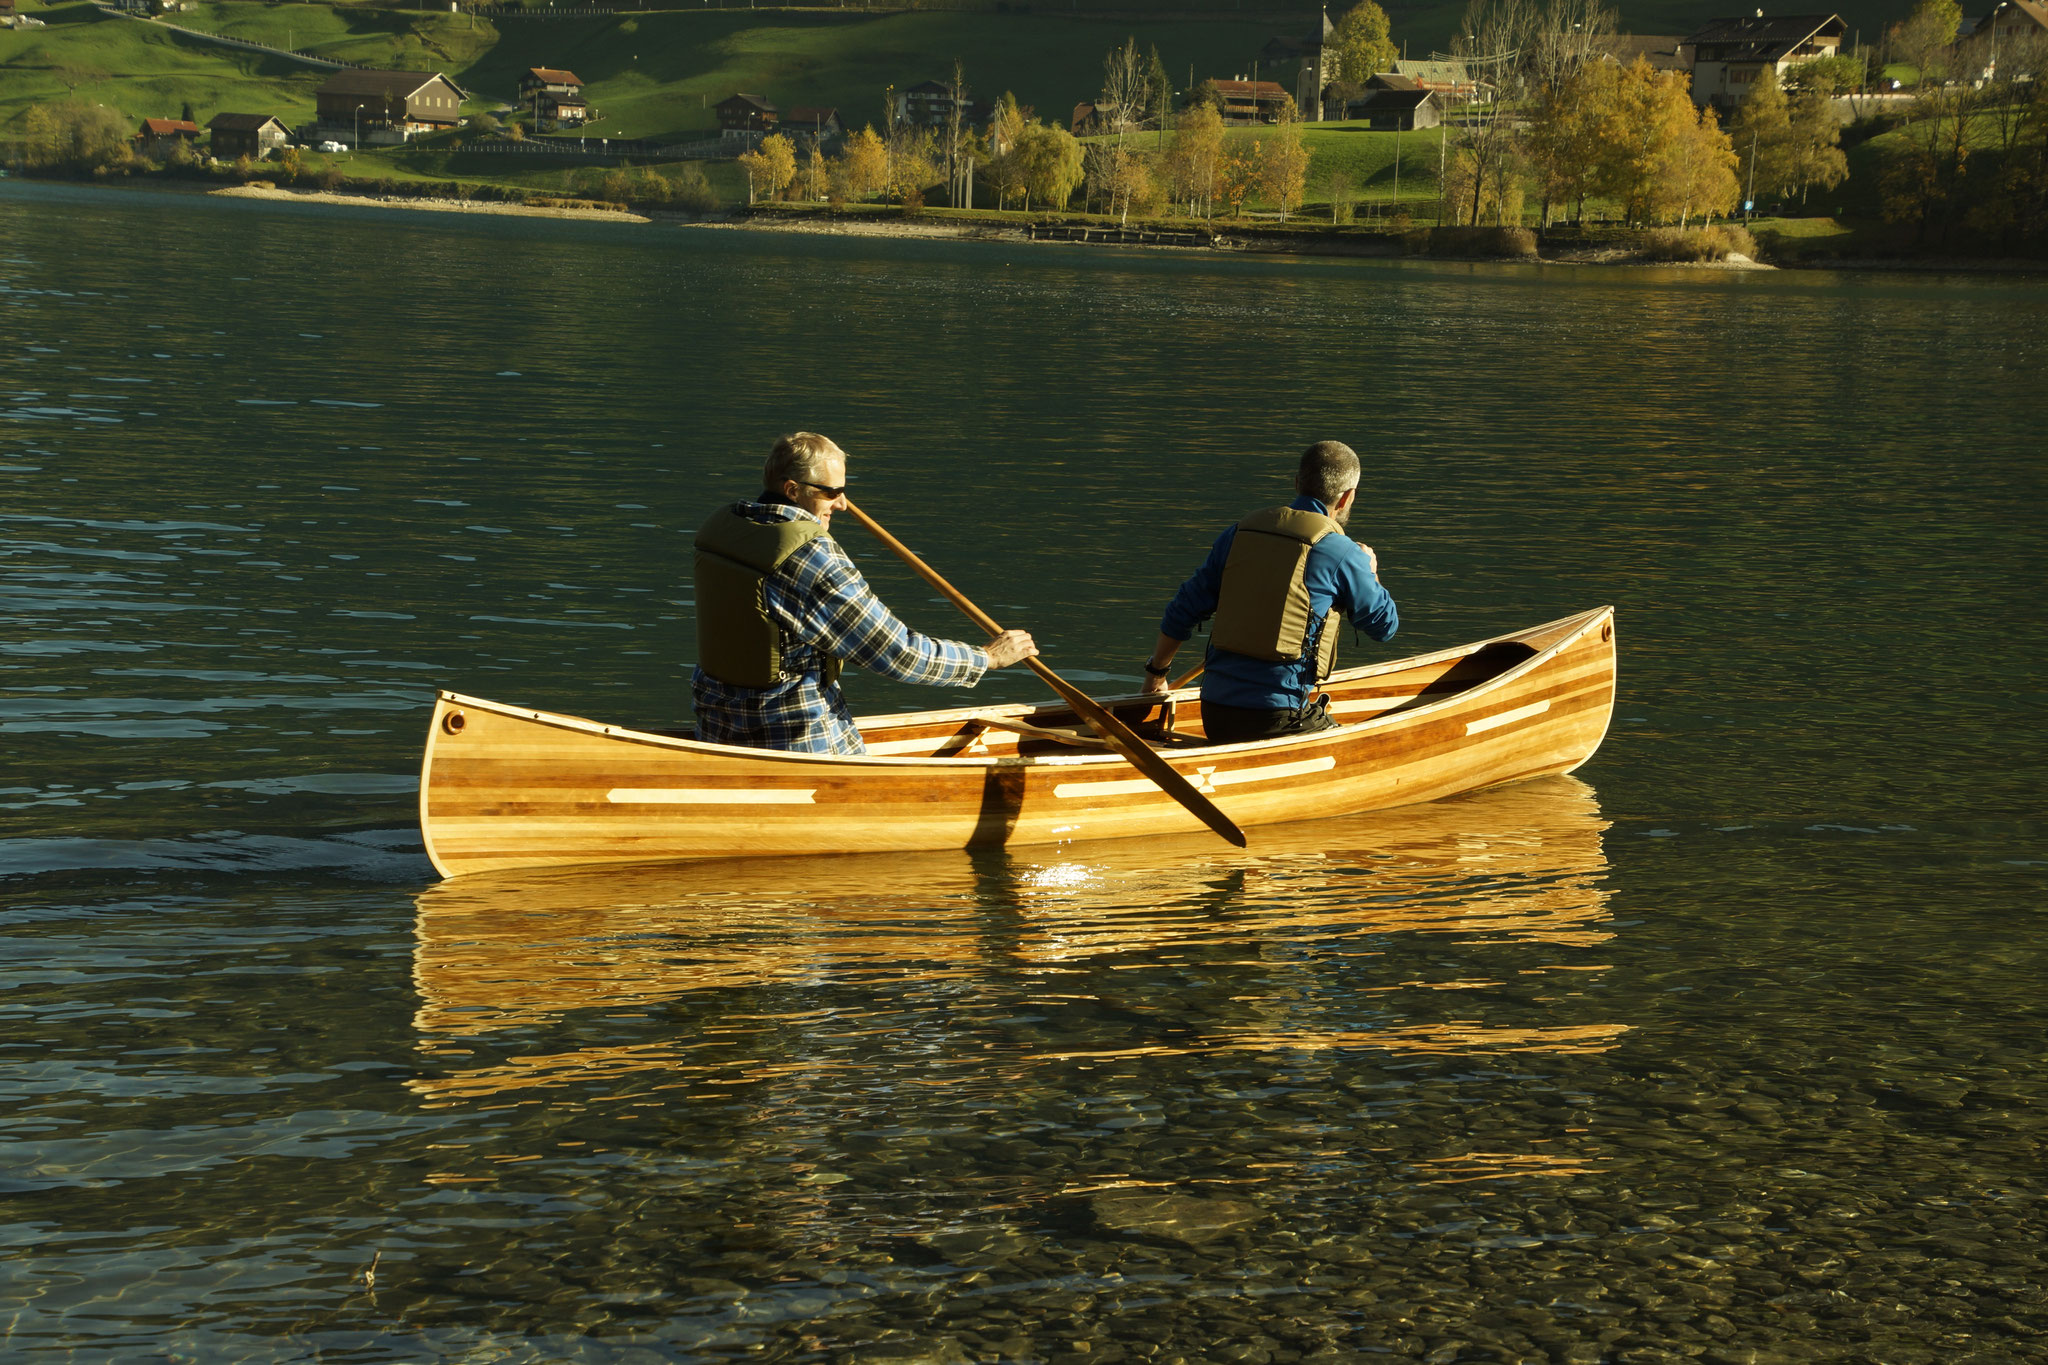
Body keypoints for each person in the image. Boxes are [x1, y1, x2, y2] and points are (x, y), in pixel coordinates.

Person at [691, 432, 1038, 755]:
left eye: (843, 490)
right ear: (793, 490)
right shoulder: (810, 558)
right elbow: (895, 653)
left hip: (718, 724)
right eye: (830, 492)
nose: (841, 504)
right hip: (791, 734)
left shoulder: (724, 527)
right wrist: (985, 658)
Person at [1140, 440, 1398, 745]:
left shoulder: (1239, 533)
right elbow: (1384, 627)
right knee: (1363, 747)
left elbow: (1183, 608)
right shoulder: (1342, 552)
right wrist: (1370, 571)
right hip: (1279, 719)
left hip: (1214, 713)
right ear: (1347, 498)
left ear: (1297, 482)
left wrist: (1156, 673)